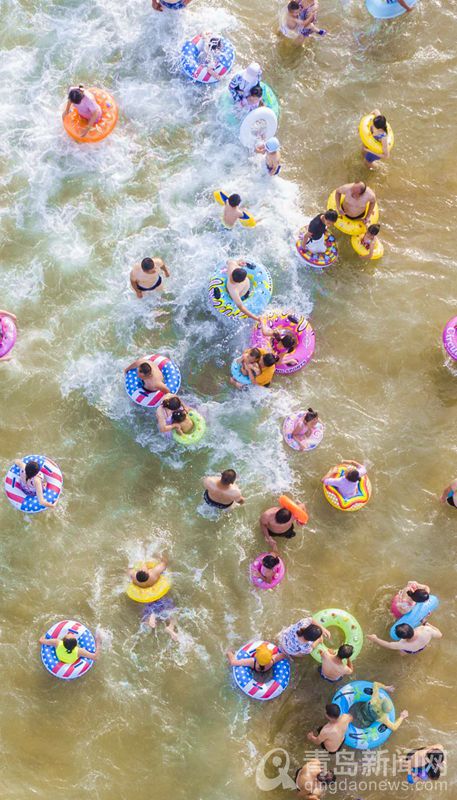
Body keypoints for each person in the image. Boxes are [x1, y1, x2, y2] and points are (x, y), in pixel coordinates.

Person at [128, 555, 178, 639]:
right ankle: (170, 627)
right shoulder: (153, 574)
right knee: (171, 612)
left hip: (147, 600)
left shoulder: (134, 578)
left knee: (149, 611)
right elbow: (164, 563)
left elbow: (129, 570)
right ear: (147, 573)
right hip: (159, 597)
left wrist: (132, 565)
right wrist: (161, 556)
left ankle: (151, 617)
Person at [367, 622, 442, 655]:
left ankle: (402, 654)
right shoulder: (427, 630)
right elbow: (440, 635)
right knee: (420, 646)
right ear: (411, 627)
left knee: (402, 653)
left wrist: (375, 639)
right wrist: (427, 624)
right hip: (423, 646)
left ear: (401, 638)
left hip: (410, 650)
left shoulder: (402, 644)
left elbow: (388, 645)